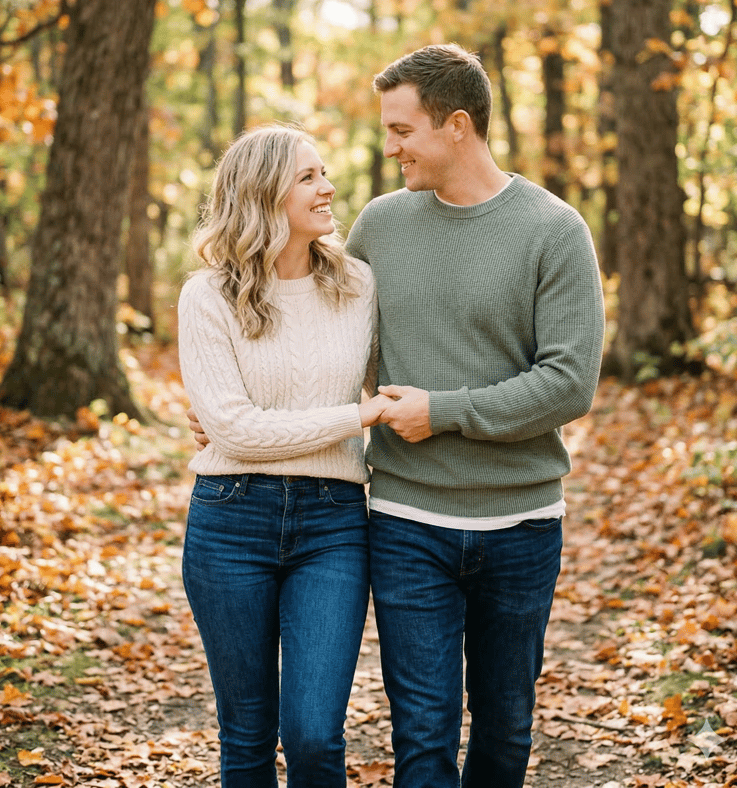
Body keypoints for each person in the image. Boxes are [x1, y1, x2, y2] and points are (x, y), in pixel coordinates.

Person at [190, 44, 605, 788]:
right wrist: (228, 415)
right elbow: (316, 329)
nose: (388, 147)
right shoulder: (381, 227)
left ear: (455, 126)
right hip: (406, 519)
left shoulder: (554, 228)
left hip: (522, 522)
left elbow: (570, 383)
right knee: (421, 732)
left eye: (401, 129)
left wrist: (440, 411)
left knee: (506, 725)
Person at [177, 123, 387, 788]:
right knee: (245, 736)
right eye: (308, 177)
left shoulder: (357, 286)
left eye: (324, 172)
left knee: (315, 733)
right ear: (263, 193)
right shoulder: (205, 296)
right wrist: (355, 416)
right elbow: (235, 431)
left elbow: (397, 386)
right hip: (229, 523)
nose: (328, 187)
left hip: (334, 525)